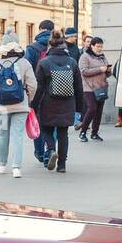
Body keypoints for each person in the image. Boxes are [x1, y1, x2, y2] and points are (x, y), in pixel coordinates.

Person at [0, 30, 37, 178]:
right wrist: (28, 98)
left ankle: (2, 164)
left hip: (1, 105)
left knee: (2, 135)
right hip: (20, 104)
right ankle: (16, 168)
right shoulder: (24, 63)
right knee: (18, 136)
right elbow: (33, 85)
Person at [32, 30, 84, 173]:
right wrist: (79, 109)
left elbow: (39, 87)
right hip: (68, 103)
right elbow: (78, 87)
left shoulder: (44, 62)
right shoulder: (72, 62)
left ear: (50, 46)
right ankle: (62, 164)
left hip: (48, 102)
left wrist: (33, 106)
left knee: (45, 128)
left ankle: (51, 149)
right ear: (64, 45)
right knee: (63, 133)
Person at [78, 37, 110, 142]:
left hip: (101, 87)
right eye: (98, 46)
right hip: (89, 88)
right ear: (92, 46)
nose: (100, 48)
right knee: (92, 108)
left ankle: (94, 133)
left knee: (99, 111)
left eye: (101, 46)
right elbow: (83, 72)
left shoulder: (102, 57)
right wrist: (99, 69)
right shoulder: (85, 57)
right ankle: (83, 131)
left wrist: (108, 71)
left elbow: (106, 73)